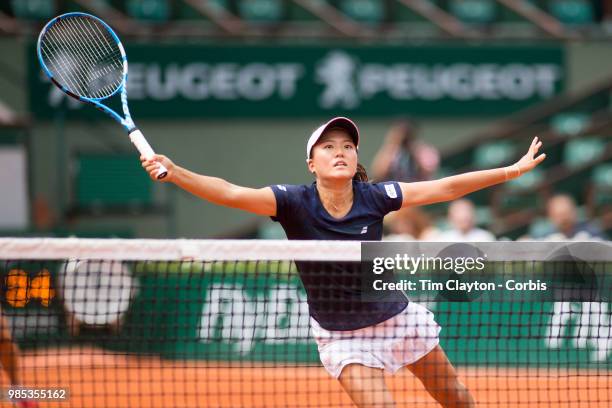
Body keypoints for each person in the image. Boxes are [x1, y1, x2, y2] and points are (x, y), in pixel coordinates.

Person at [141, 117, 545, 408]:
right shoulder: (293, 202)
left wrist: (512, 170)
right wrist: (176, 173)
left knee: (457, 399)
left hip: (396, 318)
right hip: (343, 336)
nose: (341, 152)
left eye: (348, 146)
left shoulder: (375, 197)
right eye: (329, 147)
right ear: (312, 164)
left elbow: (446, 187)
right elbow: (230, 192)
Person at [371, 118, 440, 182]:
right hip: (397, 191)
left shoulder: (424, 151)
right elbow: (378, 174)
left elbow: (427, 171)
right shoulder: (391, 152)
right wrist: (392, 145)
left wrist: (413, 149)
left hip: (419, 190)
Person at [541, 194, 607, 241]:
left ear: (574, 212)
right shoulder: (545, 239)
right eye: (559, 215)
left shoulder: (591, 233)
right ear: (550, 216)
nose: (564, 219)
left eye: (566, 213)